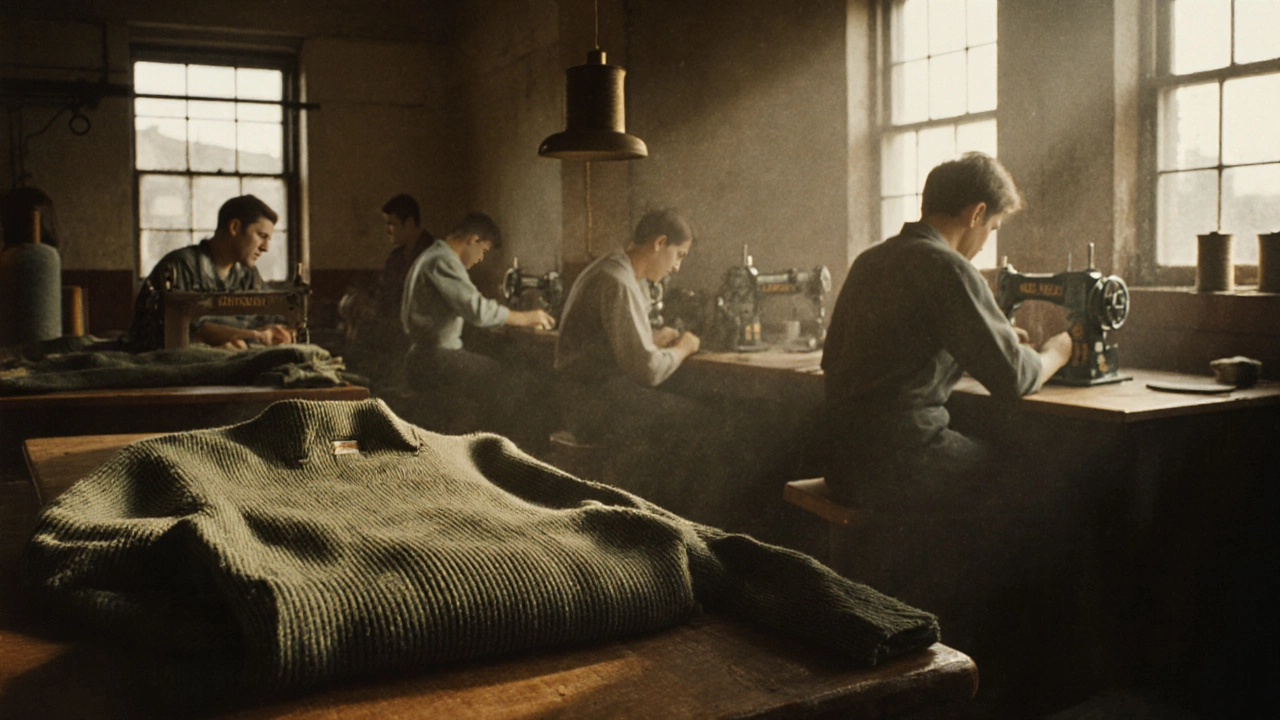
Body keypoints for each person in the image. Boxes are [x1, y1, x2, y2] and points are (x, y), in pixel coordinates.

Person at [822, 151, 1071, 506]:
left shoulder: (869, 260)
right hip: (902, 463)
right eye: (992, 228)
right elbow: (1015, 376)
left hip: (843, 463)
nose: (986, 242)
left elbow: (854, 357)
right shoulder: (948, 266)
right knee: (1035, 478)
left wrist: (985, 340)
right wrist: (1056, 353)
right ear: (977, 213)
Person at [400, 212, 554, 432]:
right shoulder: (443, 260)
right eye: (483, 250)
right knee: (505, 381)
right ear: (473, 240)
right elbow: (478, 310)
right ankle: (492, 448)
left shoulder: (432, 255)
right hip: (434, 357)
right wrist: (526, 317)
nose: (481, 258)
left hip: (426, 355)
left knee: (496, 373)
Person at [123, 194, 294, 352]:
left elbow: (269, 315)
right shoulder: (179, 267)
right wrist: (254, 335)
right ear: (234, 227)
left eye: (268, 239)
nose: (265, 247)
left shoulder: (247, 274)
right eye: (261, 235)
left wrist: (277, 329)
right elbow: (186, 328)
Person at [339, 194, 436, 382]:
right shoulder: (396, 256)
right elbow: (384, 293)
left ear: (408, 223)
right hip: (393, 328)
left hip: (417, 334)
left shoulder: (433, 254)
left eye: (391, 224)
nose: (387, 230)